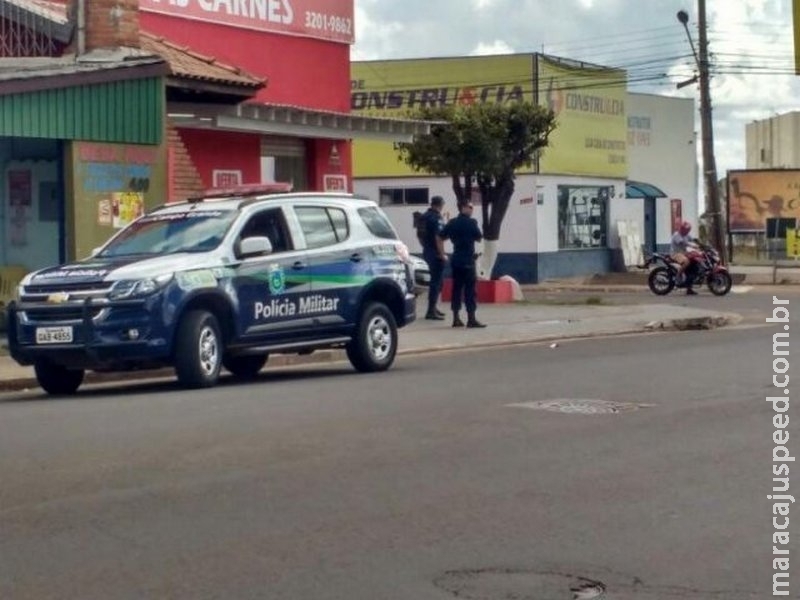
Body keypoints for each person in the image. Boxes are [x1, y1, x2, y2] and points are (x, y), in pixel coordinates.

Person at [439, 201, 486, 328]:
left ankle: (456, 318)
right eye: (470, 207)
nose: (472, 210)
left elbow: (440, 236)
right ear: (464, 208)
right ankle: (471, 319)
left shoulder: (452, 222)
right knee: (470, 290)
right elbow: (479, 237)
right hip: (468, 261)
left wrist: (442, 253)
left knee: (456, 289)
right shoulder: (472, 223)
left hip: (456, 260)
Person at [420, 196, 448, 320]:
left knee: (435, 282)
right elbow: (439, 237)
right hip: (436, 253)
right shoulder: (436, 218)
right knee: (437, 282)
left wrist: (426, 246)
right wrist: (442, 254)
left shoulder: (424, 217)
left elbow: (419, 235)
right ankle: (431, 310)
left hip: (427, 251)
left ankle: (433, 307)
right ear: (440, 205)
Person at [670, 221, 698, 295]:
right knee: (687, 262)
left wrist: (700, 244)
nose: (687, 231)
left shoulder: (687, 235)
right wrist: (692, 245)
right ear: (682, 228)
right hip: (676, 254)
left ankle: (689, 288)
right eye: (686, 229)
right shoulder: (677, 235)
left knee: (694, 262)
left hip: (684, 253)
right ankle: (678, 276)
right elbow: (682, 243)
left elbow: (693, 240)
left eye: (688, 230)